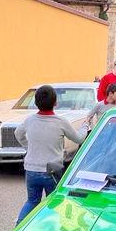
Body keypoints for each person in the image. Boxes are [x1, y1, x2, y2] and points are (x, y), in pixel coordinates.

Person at [14, 85, 84, 223]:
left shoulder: (30, 120)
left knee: (32, 201)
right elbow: (79, 139)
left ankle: (19, 226)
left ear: (36, 102)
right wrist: (85, 127)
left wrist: (29, 147)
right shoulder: (61, 122)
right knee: (54, 202)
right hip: (52, 170)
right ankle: (51, 229)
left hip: (31, 169)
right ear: (55, 102)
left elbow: (18, 133)